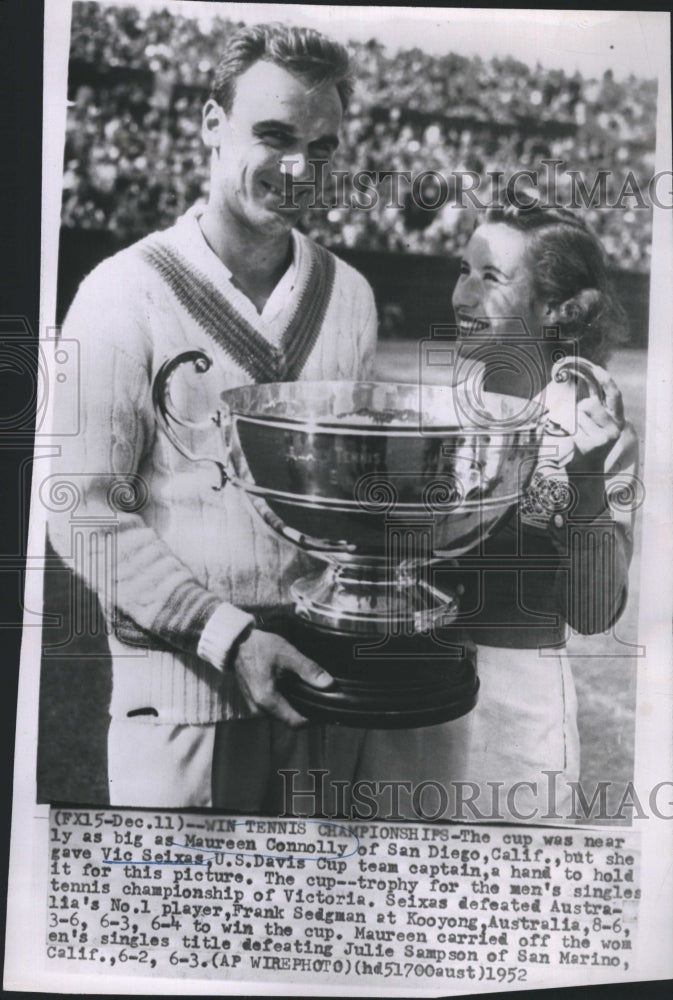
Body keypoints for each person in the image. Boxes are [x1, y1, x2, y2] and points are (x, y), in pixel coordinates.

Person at [47, 23, 377, 809]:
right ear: (209, 124)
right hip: (182, 700)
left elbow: (351, 504)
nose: (299, 168)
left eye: (322, 147)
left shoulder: (351, 296)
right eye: (273, 135)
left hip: (320, 688)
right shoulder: (121, 290)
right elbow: (82, 512)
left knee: (316, 927)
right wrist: (228, 639)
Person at [353, 205, 638, 823]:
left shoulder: (594, 427)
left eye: (492, 277)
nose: (464, 294)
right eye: (463, 270)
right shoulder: (429, 410)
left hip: (517, 716)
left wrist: (587, 490)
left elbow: (592, 613)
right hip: (410, 694)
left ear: (556, 309)